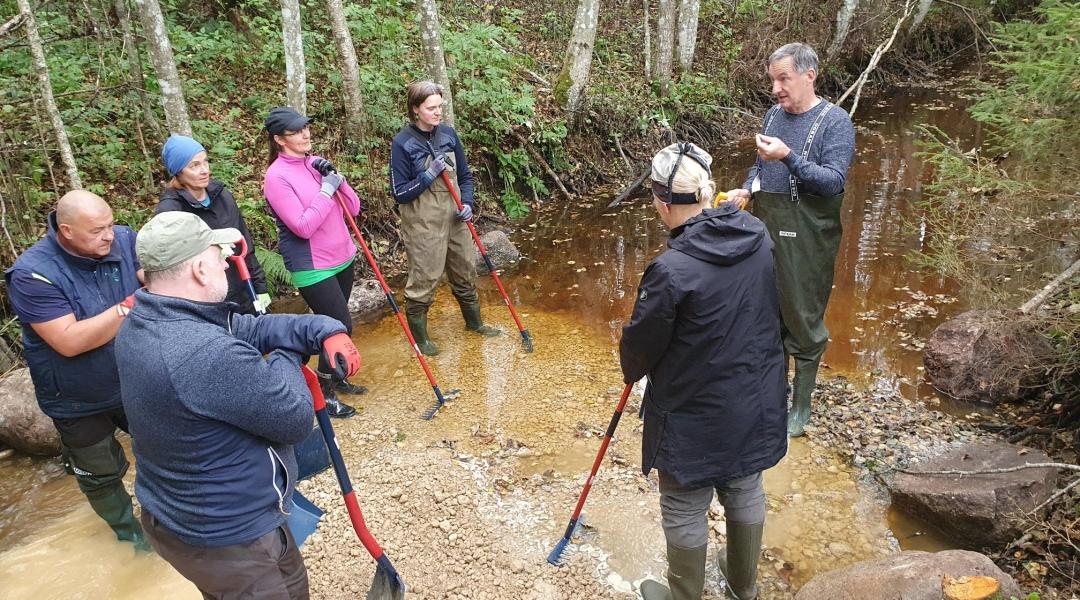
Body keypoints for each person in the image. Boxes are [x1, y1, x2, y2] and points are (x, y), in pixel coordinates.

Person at [115, 211, 362, 599]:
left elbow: (250, 328)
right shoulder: (203, 352)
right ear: (199, 270)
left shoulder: (145, 319)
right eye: (219, 257)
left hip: (182, 519)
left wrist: (322, 329)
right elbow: (296, 419)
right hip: (232, 539)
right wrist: (287, 353)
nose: (227, 265)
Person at [622, 143, 787, 600]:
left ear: (662, 201)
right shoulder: (757, 234)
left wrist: (631, 365)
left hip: (692, 412)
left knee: (684, 502)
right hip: (754, 396)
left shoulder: (671, 269)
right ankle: (743, 587)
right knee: (744, 483)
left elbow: (638, 352)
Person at [725, 42, 856, 437]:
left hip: (810, 236)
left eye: (783, 79)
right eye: (773, 80)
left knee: (803, 318)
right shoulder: (773, 116)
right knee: (768, 314)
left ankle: (801, 407)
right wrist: (747, 190)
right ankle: (773, 396)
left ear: (809, 76)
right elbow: (758, 167)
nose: (776, 89)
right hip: (768, 228)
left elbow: (833, 181)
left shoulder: (835, 122)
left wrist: (788, 157)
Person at [4, 190, 147, 550]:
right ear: (66, 230)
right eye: (97, 230)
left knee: (168, 447)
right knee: (99, 474)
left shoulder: (124, 240)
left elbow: (151, 275)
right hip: (75, 397)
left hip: (134, 376)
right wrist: (129, 305)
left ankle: (173, 517)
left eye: (110, 225)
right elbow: (69, 341)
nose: (109, 236)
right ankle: (130, 536)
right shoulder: (33, 273)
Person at [263, 106, 363, 418]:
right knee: (337, 327)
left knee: (334, 324)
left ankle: (336, 376)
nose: (305, 134)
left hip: (342, 256)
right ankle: (324, 393)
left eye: (306, 127)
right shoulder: (276, 177)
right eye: (296, 131)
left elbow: (354, 208)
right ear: (279, 139)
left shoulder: (314, 163)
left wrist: (337, 180)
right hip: (312, 265)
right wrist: (325, 191)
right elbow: (302, 226)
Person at [389, 80, 500, 356]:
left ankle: (474, 324)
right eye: (431, 108)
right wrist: (428, 175)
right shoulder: (403, 143)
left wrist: (468, 203)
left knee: (465, 271)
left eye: (440, 106)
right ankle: (421, 340)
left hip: (456, 219)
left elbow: (465, 177)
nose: (438, 112)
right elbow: (399, 193)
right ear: (415, 109)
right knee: (425, 279)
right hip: (423, 225)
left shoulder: (448, 135)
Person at [157, 133, 270, 315]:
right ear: (178, 172)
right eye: (194, 165)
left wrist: (260, 286)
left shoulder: (221, 195)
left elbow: (245, 242)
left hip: (244, 289)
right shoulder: (170, 211)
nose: (204, 170)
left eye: (205, 162)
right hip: (208, 300)